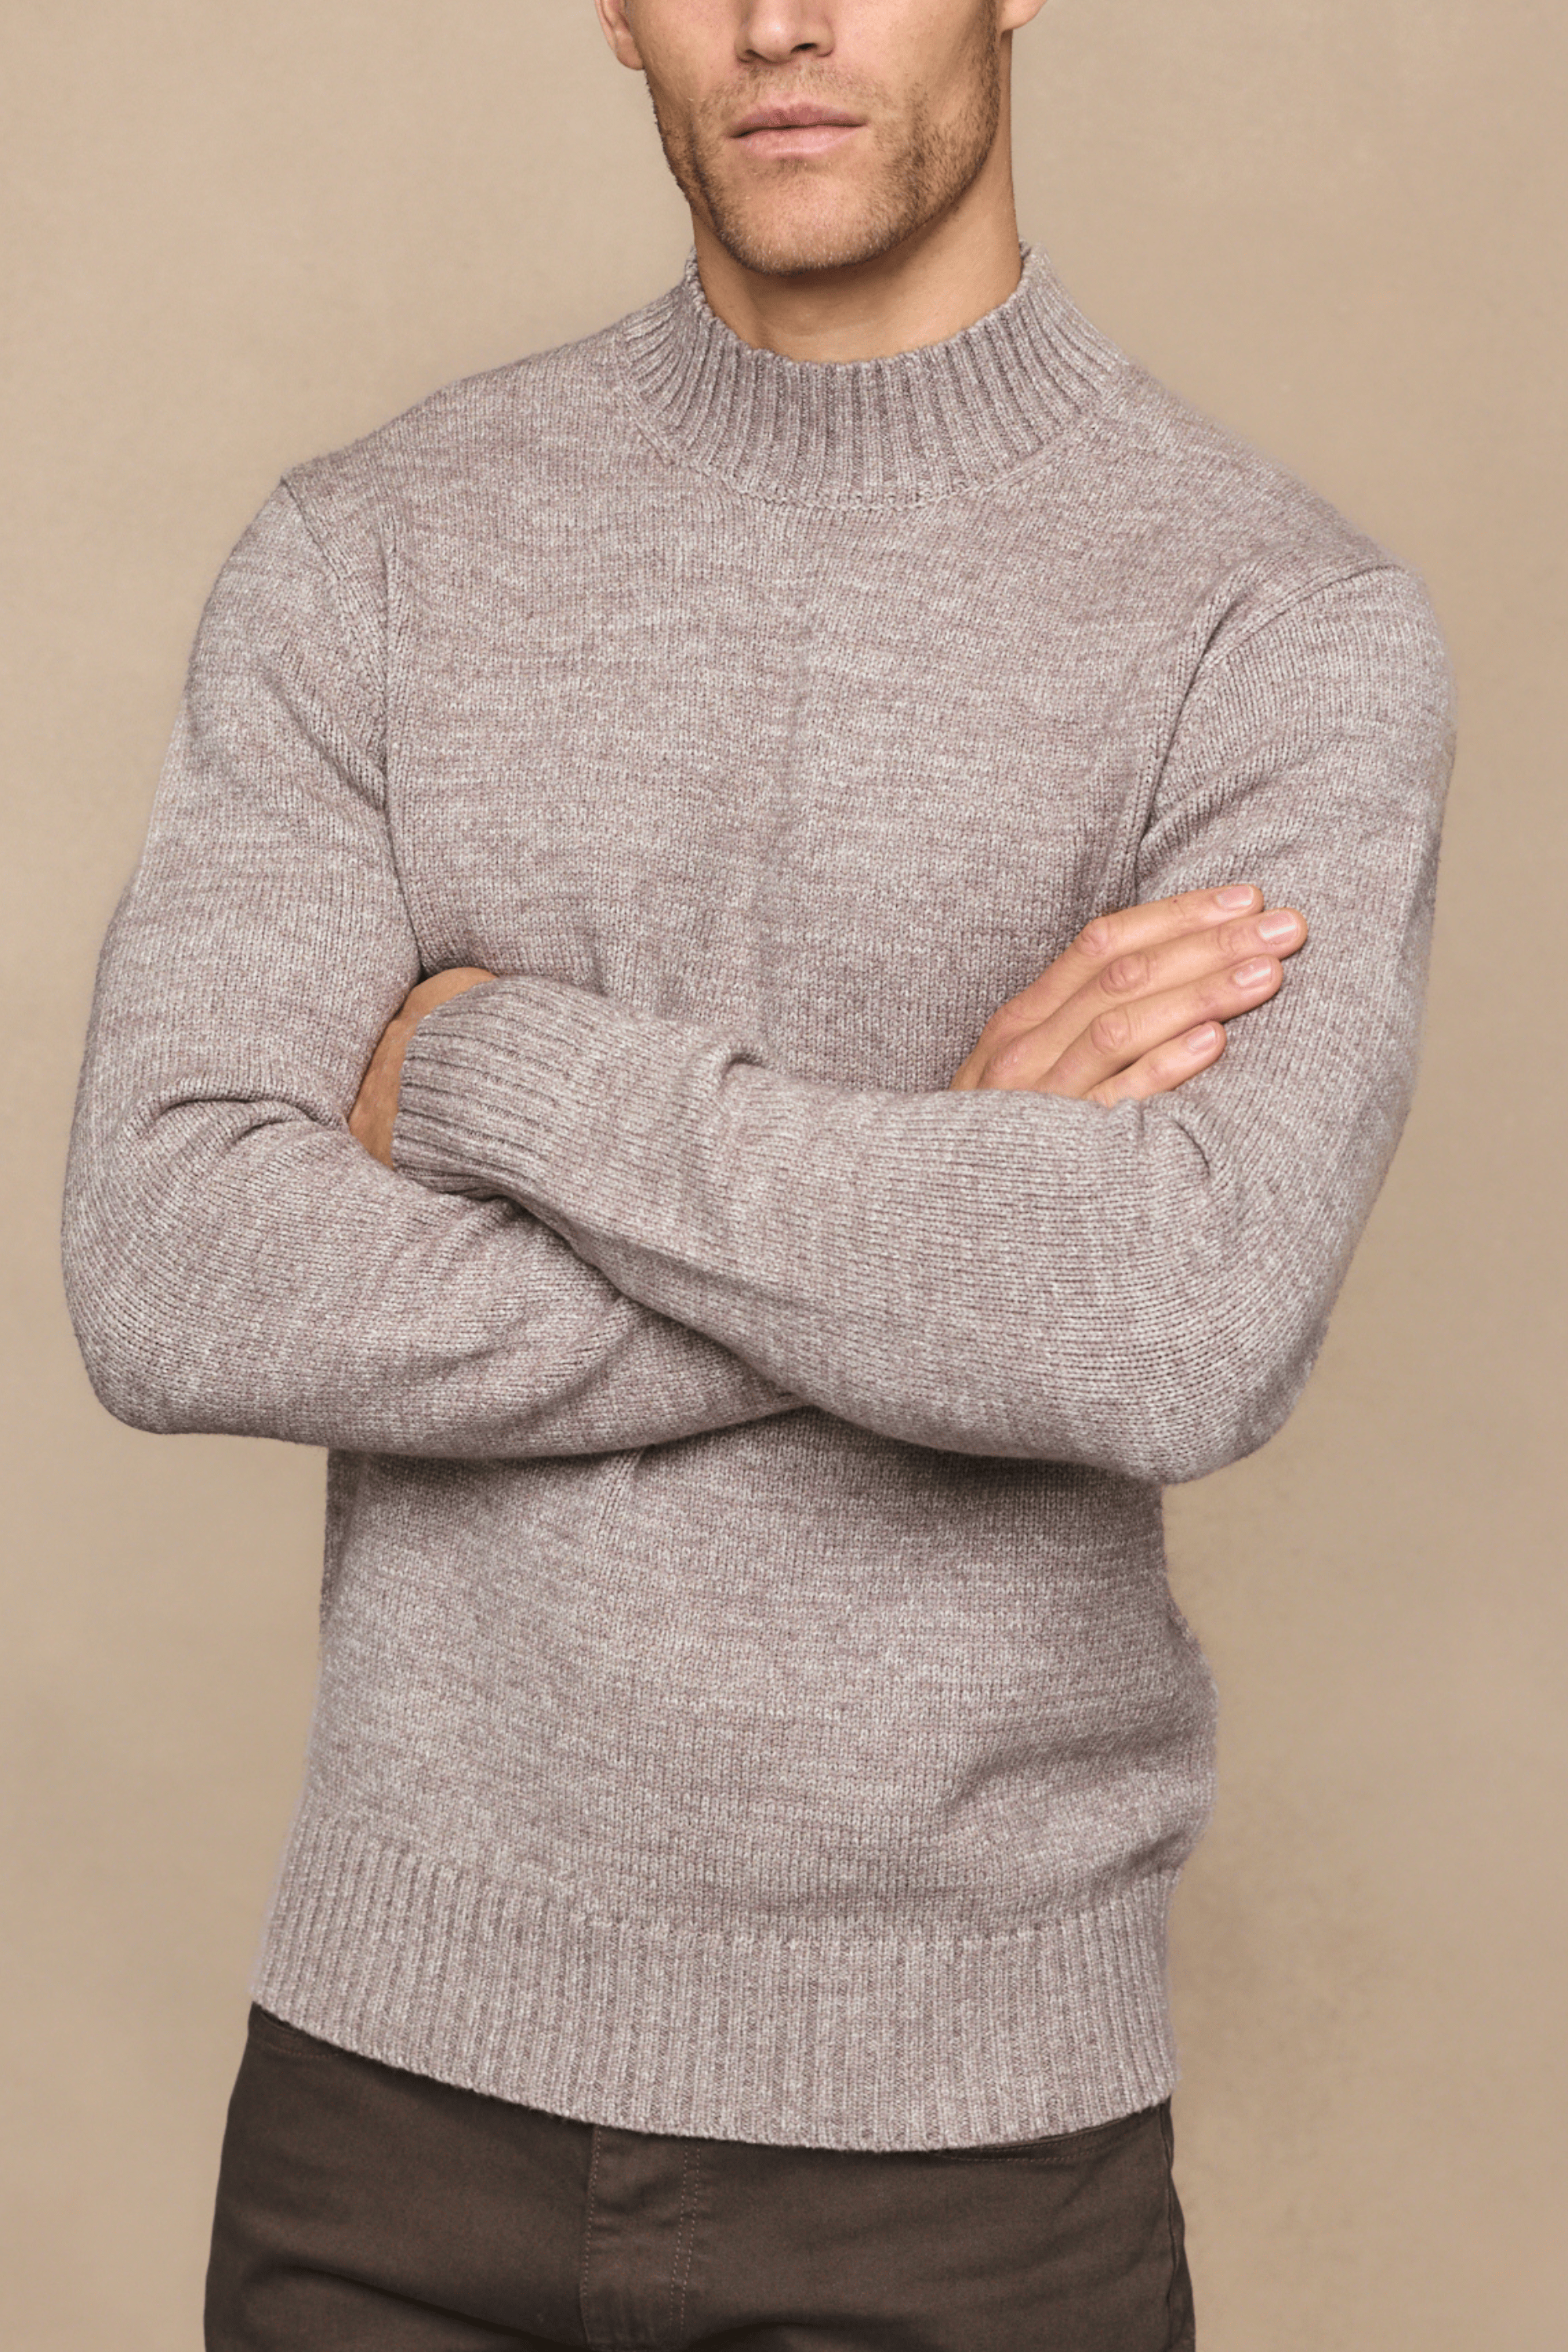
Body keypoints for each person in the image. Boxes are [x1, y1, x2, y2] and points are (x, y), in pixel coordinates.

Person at [62, 1, 1454, 2344]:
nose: (783, 18)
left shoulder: (1279, 622)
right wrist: (948, 1213)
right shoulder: (375, 553)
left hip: (974, 2179)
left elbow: (1177, 1325)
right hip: (385, 2115)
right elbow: (171, 1261)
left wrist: (492, 1071)